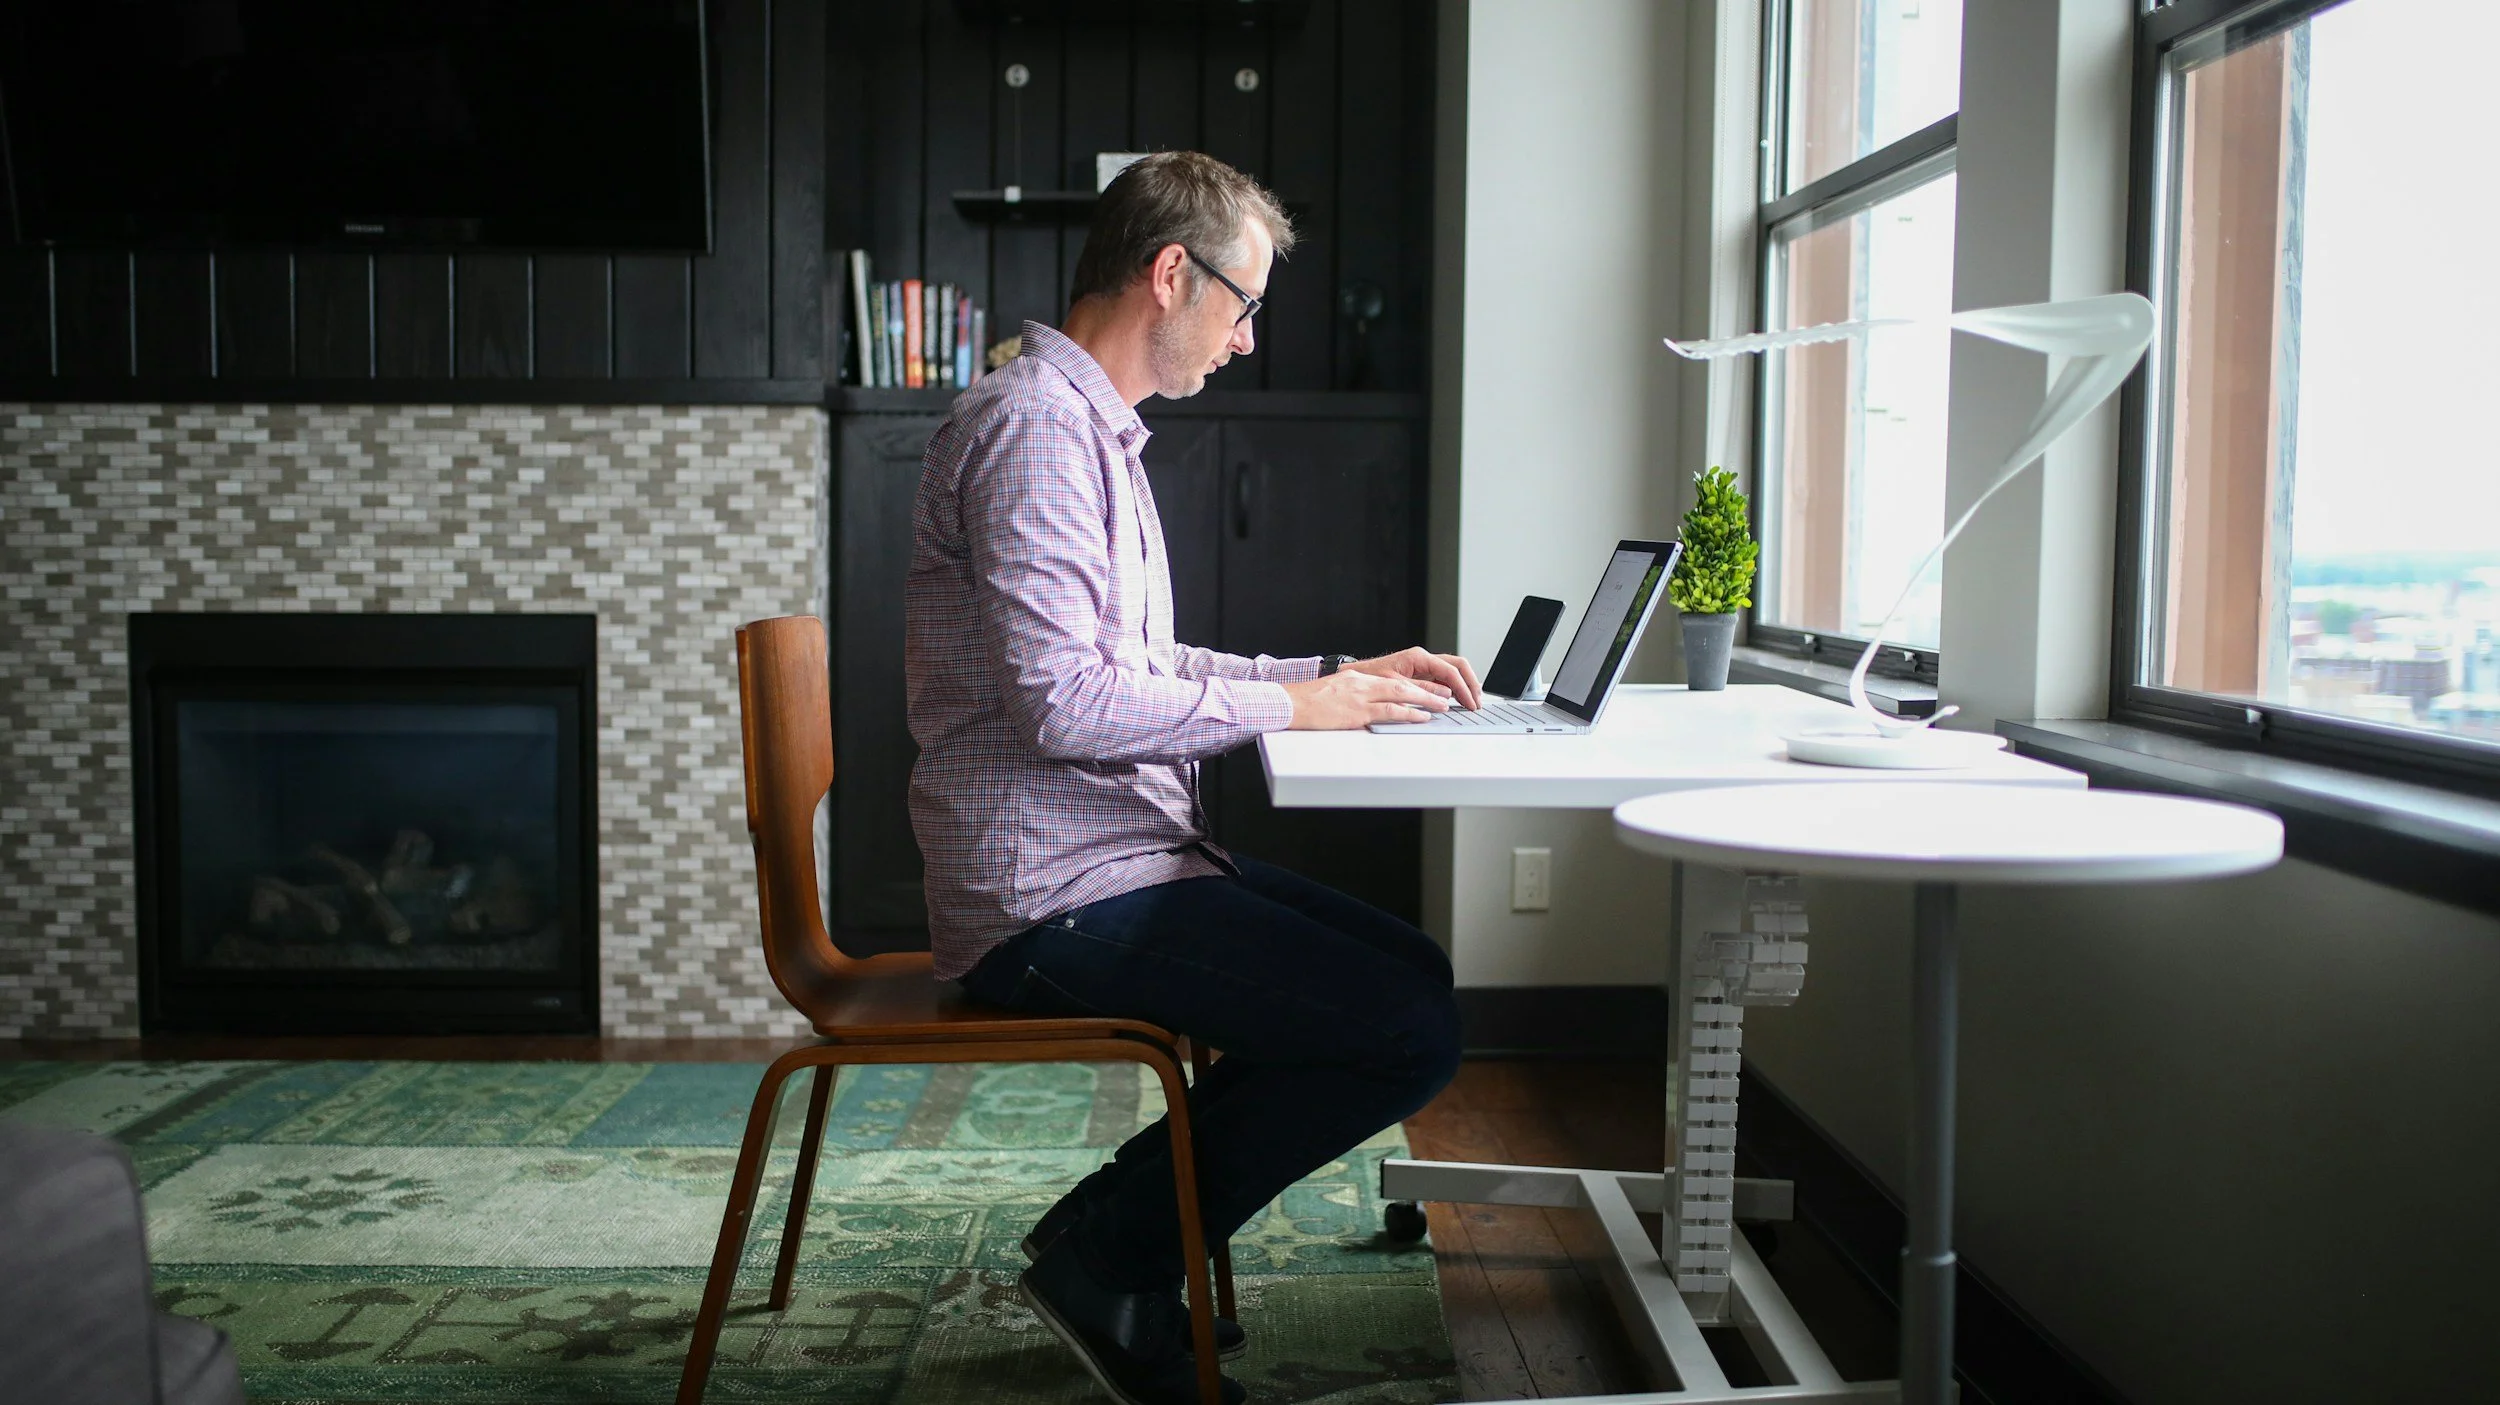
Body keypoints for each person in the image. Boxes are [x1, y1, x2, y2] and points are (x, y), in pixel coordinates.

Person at [903, 151, 1477, 1405]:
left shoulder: (1085, 430)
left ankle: (1110, 1236)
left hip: (1116, 857)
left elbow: (1141, 664)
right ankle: (1111, 1256)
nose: (1249, 337)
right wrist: (1294, 707)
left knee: (1417, 984)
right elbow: (1068, 703)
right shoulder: (1038, 433)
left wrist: (1337, 675)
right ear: (1173, 273)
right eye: (1244, 302)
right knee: (1405, 1025)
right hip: (1046, 897)